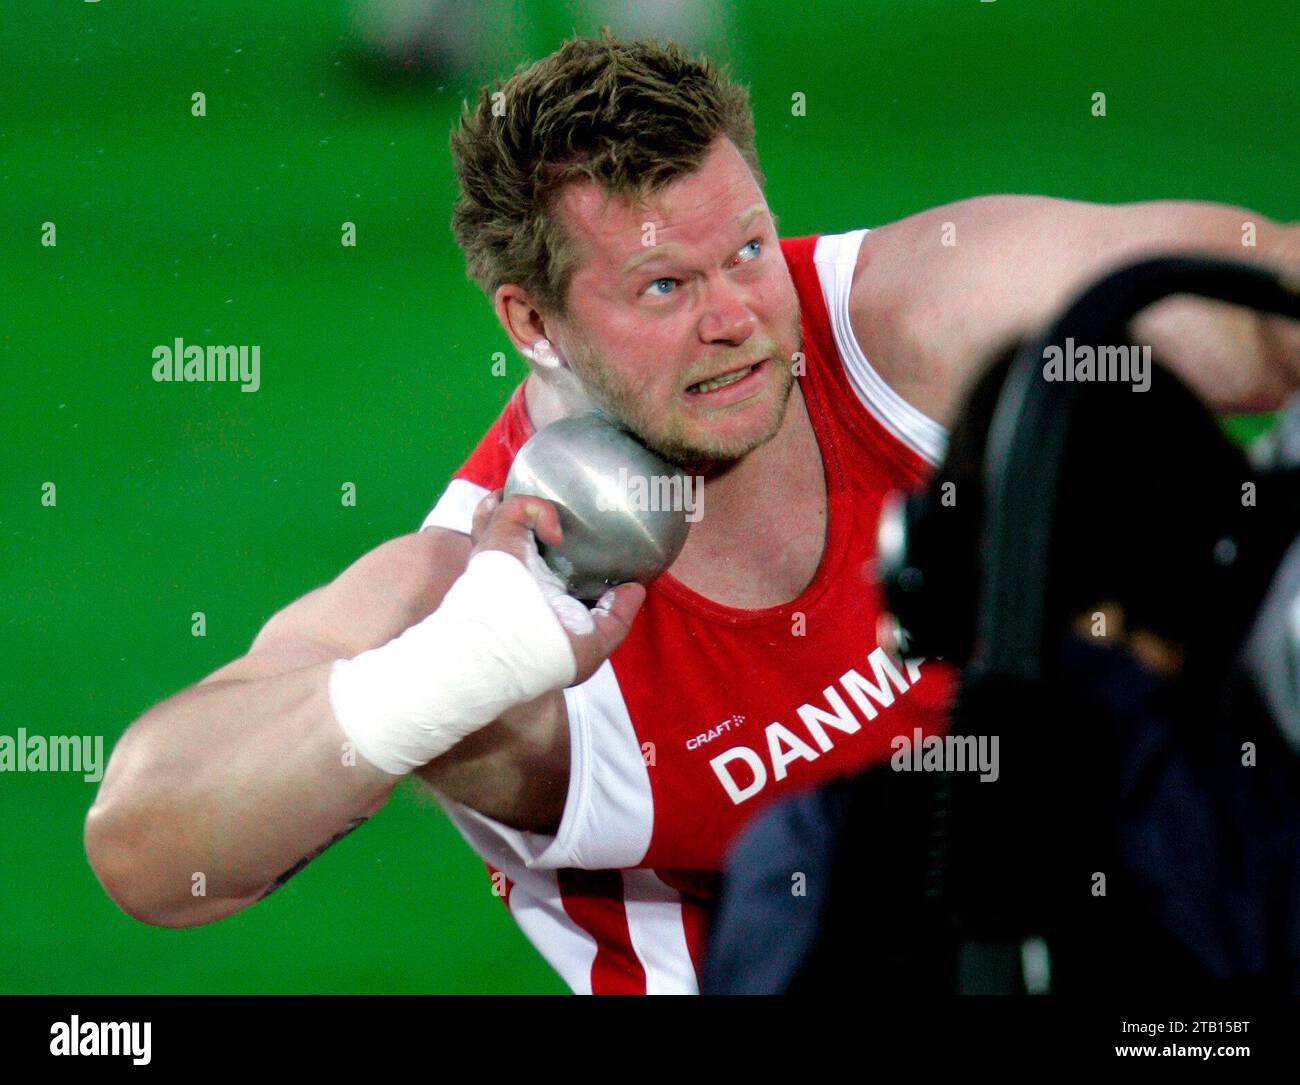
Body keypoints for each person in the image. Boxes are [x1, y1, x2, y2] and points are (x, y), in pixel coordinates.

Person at [85, 31, 1300, 994]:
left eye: (750, 250)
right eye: (663, 285)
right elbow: (149, 844)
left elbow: (1263, 304)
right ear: (530, 321)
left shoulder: (922, 319)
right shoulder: (486, 587)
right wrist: (453, 669)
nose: (738, 318)